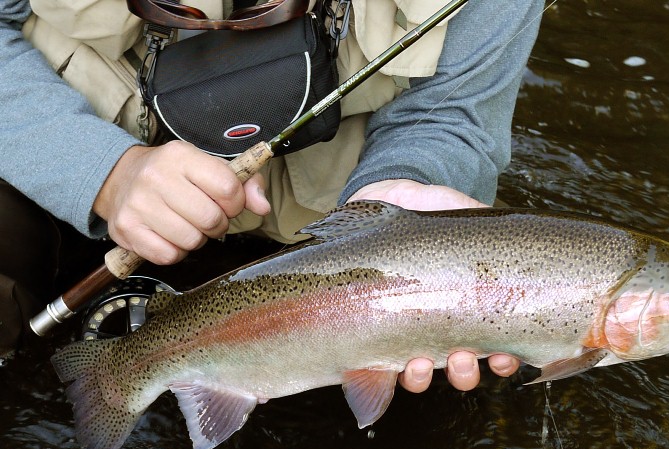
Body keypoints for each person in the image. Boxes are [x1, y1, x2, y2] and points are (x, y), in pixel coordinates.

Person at [0, 0, 545, 392]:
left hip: (337, 255)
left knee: (430, 387)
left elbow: (452, 111)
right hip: (63, 189)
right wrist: (103, 172)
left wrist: (405, 190)